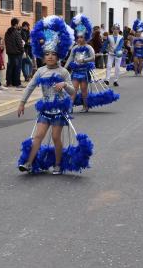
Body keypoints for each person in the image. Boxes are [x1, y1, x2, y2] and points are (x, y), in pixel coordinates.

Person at [17, 16, 93, 175]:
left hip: (59, 110)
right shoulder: (40, 71)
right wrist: (22, 103)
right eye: (47, 54)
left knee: (56, 137)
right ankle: (29, 163)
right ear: (42, 56)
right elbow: (30, 87)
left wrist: (65, 85)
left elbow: (73, 91)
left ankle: (58, 164)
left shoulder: (63, 72)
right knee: (38, 136)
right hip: (45, 109)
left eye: (53, 54)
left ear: (58, 55)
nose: (50, 56)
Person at [66, 14, 96, 112]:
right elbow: (70, 58)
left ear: (85, 37)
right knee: (73, 89)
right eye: (78, 37)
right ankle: (70, 107)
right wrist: (64, 68)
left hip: (84, 72)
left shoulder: (88, 47)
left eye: (82, 37)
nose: (79, 39)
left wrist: (84, 60)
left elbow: (93, 57)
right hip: (75, 72)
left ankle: (85, 106)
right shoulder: (74, 48)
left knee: (83, 90)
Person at [5, 18, 25, 87]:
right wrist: (22, 50)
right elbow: (19, 43)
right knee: (17, 68)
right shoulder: (16, 32)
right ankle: (17, 83)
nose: (19, 25)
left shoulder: (7, 32)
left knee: (10, 68)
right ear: (16, 24)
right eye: (18, 23)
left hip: (10, 53)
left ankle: (9, 82)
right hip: (17, 53)